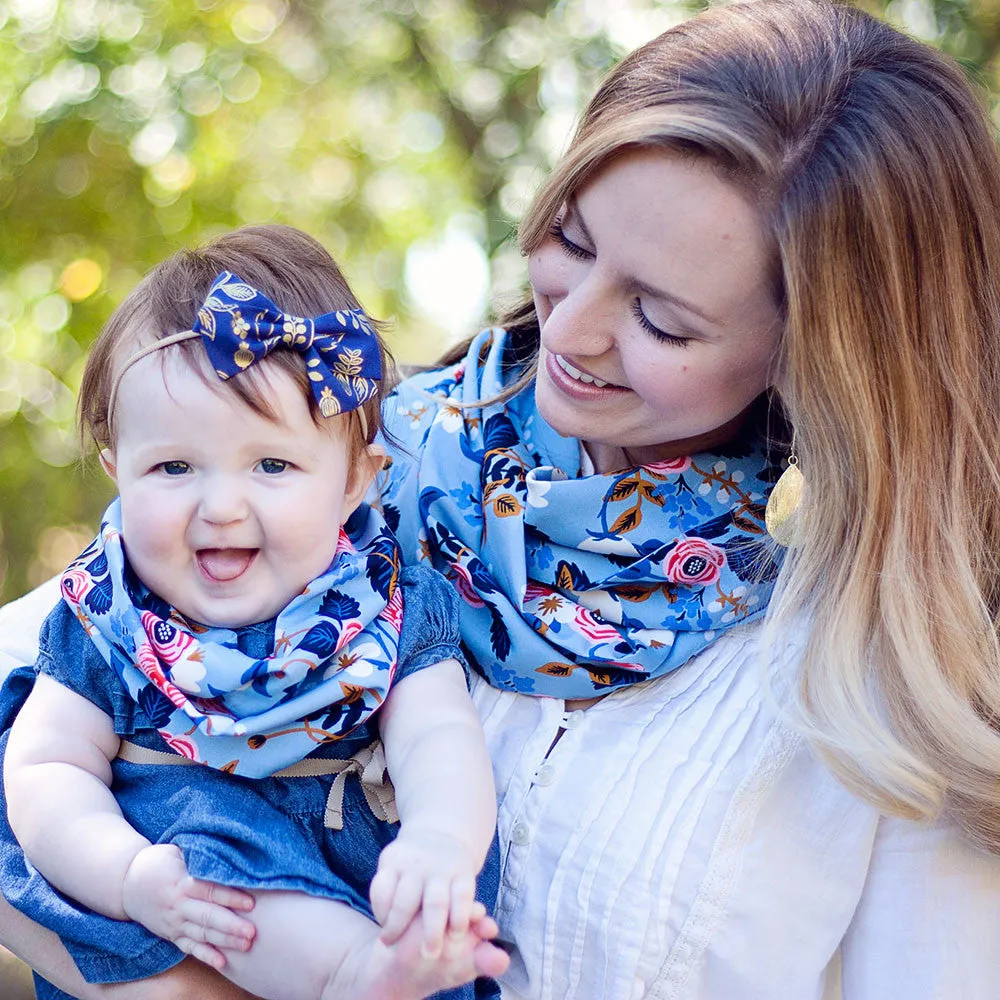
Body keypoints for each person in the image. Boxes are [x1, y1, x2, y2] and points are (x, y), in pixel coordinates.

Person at [3, 0, 1000, 997]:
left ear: (813, 357)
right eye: (570, 240)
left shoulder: (885, 694)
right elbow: (48, 717)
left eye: (660, 318)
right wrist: (156, 976)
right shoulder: (335, 459)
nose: (571, 333)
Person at [0, 225, 508, 1000]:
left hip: (346, 876)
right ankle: (362, 980)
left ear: (352, 483)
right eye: (172, 467)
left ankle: (382, 968)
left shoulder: (388, 600)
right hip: (172, 888)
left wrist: (442, 840)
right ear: (117, 474)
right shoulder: (107, 614)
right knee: (216, 857)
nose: (221, 506)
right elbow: (46, 767)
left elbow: (440, 736)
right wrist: (127, 873)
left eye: (272, 465)